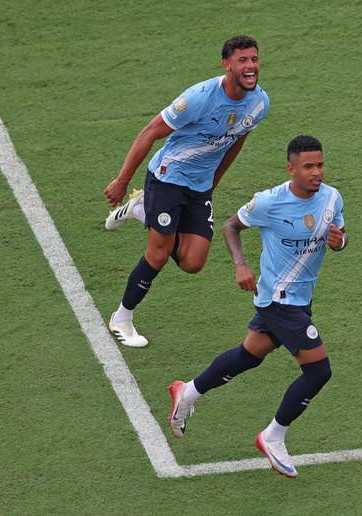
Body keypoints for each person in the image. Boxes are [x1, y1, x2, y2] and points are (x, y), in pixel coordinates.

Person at [166, 135, 348, 478]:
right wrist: (240, 264)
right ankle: (273, 436)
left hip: (299, 300)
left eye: (320, 165)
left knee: (249, 354)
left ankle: (187, 392)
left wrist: (340, 241)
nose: (316, 172)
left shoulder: (332, 198)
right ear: (290, 168)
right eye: (308, 166)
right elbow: (231, 226)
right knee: (318, 370)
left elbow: (339, 235)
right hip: (280, 302)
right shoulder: (269, 202)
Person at [103, 35, 269, 347]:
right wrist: (122, 180)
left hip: (199, 186)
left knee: (194, 263)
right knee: (159, 253)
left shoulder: (259, 103)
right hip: (168, 177)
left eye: (254, 60)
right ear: (226, 64)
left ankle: (141, 210)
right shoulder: (199, 98)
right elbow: (150, 132)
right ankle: (122, 317)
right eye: (243, 61)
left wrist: (214, 181)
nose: (251, 67)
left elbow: (236, 140)